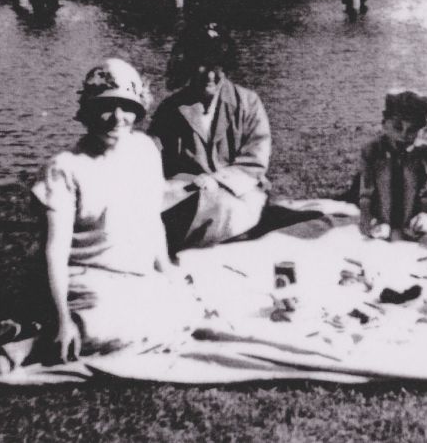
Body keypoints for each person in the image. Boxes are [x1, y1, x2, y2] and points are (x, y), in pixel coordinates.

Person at [31, 58, 194, 363]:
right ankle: (39, 336)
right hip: (86, 277)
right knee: (116, 321)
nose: (117, 117)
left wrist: (165, 268)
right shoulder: (64, 168)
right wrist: (62, 318)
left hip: (135, 276)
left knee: (188, 308)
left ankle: (44, 332)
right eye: (105, 106)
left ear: (138, 110)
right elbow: (53, 251)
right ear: (88, 111)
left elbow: (151, 219)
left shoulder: (145, 150)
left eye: (127, 106)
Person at [149, 25, 271, 253]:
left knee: (228, 210)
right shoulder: (171, 108)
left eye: (217, 66)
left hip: (239, 190)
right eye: (202, 65)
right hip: (187, 190)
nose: (210, 75)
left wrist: (217, 180)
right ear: (190, 65)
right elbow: (151, 157)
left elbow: (255, 162)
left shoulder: (249, 102)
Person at [353, 90, 427, 240]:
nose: (404, 135)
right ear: (385, 125)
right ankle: (383, 221)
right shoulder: (372, 150)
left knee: (419, 232)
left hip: (411, 214)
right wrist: (366, 216)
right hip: (380, 213)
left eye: (411, 130)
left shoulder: (422, 151)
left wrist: (424, 213)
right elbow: (366, 190)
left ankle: (409, 222)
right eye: (398, 127)